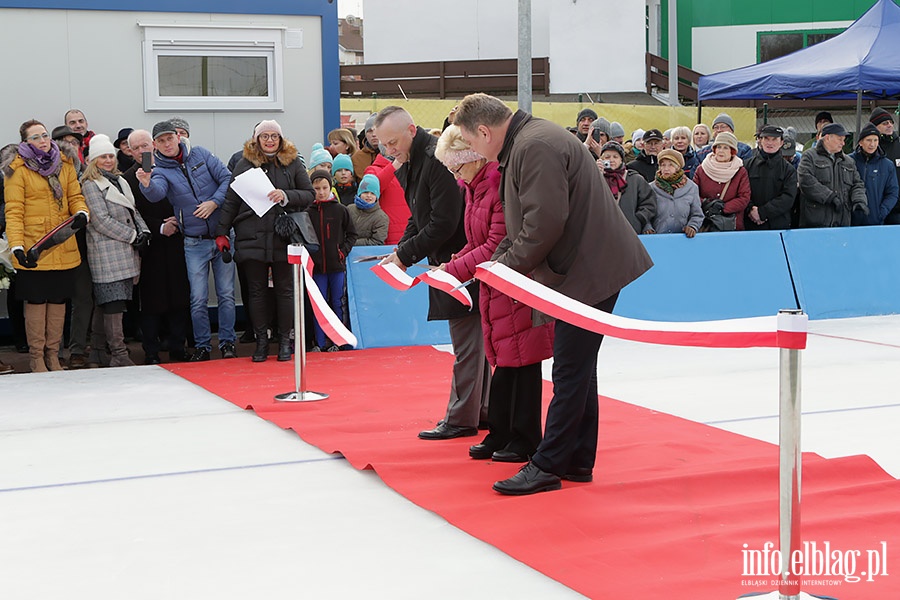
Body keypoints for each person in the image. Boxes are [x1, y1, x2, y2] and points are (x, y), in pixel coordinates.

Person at [454, 93, 653, 495]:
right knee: (578, 369)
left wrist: (503, 270)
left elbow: (543, 224)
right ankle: (577, 460)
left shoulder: (534, 146)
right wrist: (497, 263)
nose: (472, 152)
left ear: (485, 131)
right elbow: (525, 223)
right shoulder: (528, 142)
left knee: (569, 370)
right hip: (584, 269)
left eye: (471, 143)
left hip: (588, 272)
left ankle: (548, 464)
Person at [435, 125, 554, 463]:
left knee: (523, 362)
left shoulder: (496, 185)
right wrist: (456, 260)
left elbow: (495, 244)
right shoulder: (473, 187)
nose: (455, 175)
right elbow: (476, 241)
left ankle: (525, 437)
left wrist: (455, 270)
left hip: (516, 283)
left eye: (456, 167)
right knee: (502, 360)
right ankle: (500, 432)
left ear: (471, 157)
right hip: (494, 285)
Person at [375, 105, 490, 440]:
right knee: (472, 342)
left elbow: (443, 221)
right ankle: (481, 411)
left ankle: (462, 417)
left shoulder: (435, 159)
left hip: (459, 263)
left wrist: (405, 254)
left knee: (468, 342)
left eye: (393, 142)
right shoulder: (413, 163)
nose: (389, 150)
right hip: (450, 261)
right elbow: (419, 216)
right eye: (384, 145)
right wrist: (401, 252)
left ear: (412, 130)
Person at [136, 120, 237, 361]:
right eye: (161, 141)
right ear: (154, 145)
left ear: (178, 138)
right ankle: (203, 345)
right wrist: (146, 184)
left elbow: (228, 179)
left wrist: (214, 202)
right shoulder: (157, 168)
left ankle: (227, 343)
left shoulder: (200, 153)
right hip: (194, 242)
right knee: (198, 298)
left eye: (170, 138)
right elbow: (157, 193)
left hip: (222, 234)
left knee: (226, 294)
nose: (167, 144)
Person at [215, 120, 315, 362]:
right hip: (252, 235)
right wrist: (221, 232)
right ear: (256, 139)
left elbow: (309, 194)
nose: (270, 140)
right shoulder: (244, 163)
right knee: (256, 292)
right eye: (265, 136)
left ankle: (283, 342)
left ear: (281, 139)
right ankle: (261, 342)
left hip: (284, 236)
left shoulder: (292, 162)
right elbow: (231, 200)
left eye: (274, 136)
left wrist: (286, 195)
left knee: (285, 291)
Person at [2, 119, 89, 373]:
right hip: (34, 248)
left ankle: (53, 355)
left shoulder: (65, 163)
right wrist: (17, 245)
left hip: (61, 244)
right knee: (37, 302)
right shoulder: (15, 170)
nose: (43, 140)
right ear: (25, 142)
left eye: (44, 135)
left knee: (59, 301)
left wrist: (82, 212)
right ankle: (36, 358)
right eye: (35, 137)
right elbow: (14, 212)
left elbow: (75, 197)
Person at [80, 134, 149, 368]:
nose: (108, 160)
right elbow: (100, 220)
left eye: (110, 155)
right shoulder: (90, 184)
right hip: (107, 253)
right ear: (93, 160)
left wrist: (143, 231)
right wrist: (132, 236)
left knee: (108, 303)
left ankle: (98, 352)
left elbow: (133, 210)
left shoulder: (119, 181)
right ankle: (118, 354)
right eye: (102, 157)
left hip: (125, 252)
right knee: (113, 304)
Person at [122, 129, 190, 364]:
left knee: (179, 298)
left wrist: (177, 222)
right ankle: (151, 351)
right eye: (137, 148)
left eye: (145, 146)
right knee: (151, 303)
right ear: (130, 152)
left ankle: (177, 348)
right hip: (149, 247)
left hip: (176, 243)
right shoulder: (127, 179)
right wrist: (159, 228)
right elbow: (131, 214)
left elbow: (184, 198)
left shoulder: (167, 169)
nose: (143, 151)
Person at [306, 170, 357, 352]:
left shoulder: (340, 210)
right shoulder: (308, 211)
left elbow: (352, 234)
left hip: (337, 267)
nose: (321, 192)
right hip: (317, 268)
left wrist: (342, 252)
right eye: (317, 188)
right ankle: (319, 343)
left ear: (330, 187)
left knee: (337, 302)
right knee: (319, 305)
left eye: (324, 187)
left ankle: (338, 341)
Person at [797, 123, 868, 228]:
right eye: (839, 139)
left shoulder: (848, 161)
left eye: (843, 139)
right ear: (827, 138)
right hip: (815, 221)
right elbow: (806, 181)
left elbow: (857, 184)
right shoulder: (809, 156)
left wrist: (859, 200)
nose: (843, 143)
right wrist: (829, 197)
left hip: (842, 221)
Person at [743, 125, 798, 231]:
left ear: (781, 142)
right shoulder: (747, 165)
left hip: (778, 226)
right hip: (750, 225)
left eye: (774, 139)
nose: (770, 143)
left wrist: (763, 212)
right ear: (760, 140)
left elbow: (788, 197)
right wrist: (750, 210)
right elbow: (741, 191)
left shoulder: (789, 170)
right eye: (766, 138)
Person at [693, 131, 752, 231]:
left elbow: (744, 197)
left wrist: (724, 208)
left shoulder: (740, 171)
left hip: (731, 225)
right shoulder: (701, 169)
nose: (721, 151)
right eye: (718, 147)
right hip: (706, 223)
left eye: (726, 148)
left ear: (732, 151)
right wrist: (707, 204)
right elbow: (693, 194)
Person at [597, 141, 656, 234]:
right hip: (602, 232)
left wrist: (637, 220)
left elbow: (648, 203)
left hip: (630, 231)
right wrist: (596, 175)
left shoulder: (636, 179)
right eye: (607, 157)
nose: (611, 160)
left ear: (621, 160)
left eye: (615, 157)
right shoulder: (595, 179)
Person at [850, 122, 899, 226]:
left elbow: (893, 192)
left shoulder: (887, 165)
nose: (872, 144)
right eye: (868, 140)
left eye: (875, 140)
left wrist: (882, 212)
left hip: (876, 221)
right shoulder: (849, 161)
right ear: (860, 142)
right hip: (851, 221)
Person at [647, 148, 704, 237]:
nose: (666, 169)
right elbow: (645, 213)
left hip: (683, 240)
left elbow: (697, 214)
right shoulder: (650, 188)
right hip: (657, 239)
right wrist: (647, 228)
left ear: (678, 167)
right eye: (663, 165)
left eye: (670, 165)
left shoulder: (692, 188)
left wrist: (692, 226)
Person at [363, 153, 412, 245]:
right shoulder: (373, 170)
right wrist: (393, 166)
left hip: (412, 232)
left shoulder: (411, 167)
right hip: (389, 232)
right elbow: (371, 192)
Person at [870, 107, 900, 224]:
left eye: (891, 122)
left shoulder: (898, 145)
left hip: (897, 209)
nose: (889, 125)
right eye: (885, 123)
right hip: (877, 209)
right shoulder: (871, 149)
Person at [347, 174, 389, 246]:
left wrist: (351, 243)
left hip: (367, 254)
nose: (369, 195)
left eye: (373, 193)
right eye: (366, 192)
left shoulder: (381, 217)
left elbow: (377, 241)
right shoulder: (349, 209)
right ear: (360, 193)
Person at [352, 114, 380, 181]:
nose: (374, 134)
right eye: (369, 131)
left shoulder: (393, 155)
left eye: (377, 130)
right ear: (365, 134)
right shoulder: (357, 158)